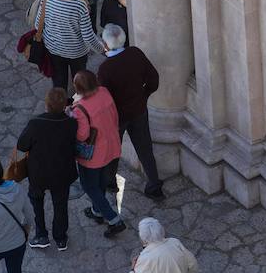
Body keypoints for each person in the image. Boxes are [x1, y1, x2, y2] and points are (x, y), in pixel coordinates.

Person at [97, 24, 164, 200]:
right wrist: (144, 95)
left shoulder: (105, 69)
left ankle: (110, 182)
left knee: (113, 150)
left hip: (117, 118)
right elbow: (154, 79)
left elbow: (104, 100)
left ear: (105, 44)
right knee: (145, 149)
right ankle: (154, 186)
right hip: (138, 110)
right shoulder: (135, 54)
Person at [16, 88, 78, 251]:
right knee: (60, 205)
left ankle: (41, 235)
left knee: (36, 203)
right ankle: (60, 238)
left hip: (39, 174)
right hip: (62, 173)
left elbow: (22, 145)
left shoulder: (36, 123)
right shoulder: (71, 123)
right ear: (64, 105)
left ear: (47, 105)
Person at [72, 69, 126, 237]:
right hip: (112, 145)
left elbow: (83, 135)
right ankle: (97, 211)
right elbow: (115, 115)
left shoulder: (80, 108)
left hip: (94, 154)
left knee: (89, 186)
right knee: (102, 181)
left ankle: (113, 219)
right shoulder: (104, 91)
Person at [36, 0, 105, 89]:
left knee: (59, 81)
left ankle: (60, 103)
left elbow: (38, 24)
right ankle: (79, 102)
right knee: (79, 82)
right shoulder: (79, 6)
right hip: (76, 53)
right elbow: (88, 36)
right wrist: (102, 49)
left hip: (53, 50)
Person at [127, 218, 199, 273]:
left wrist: (132, 269)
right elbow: (192, 263)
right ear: (161, 230)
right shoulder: (174, 242)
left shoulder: (144, 260)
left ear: (143, 239)